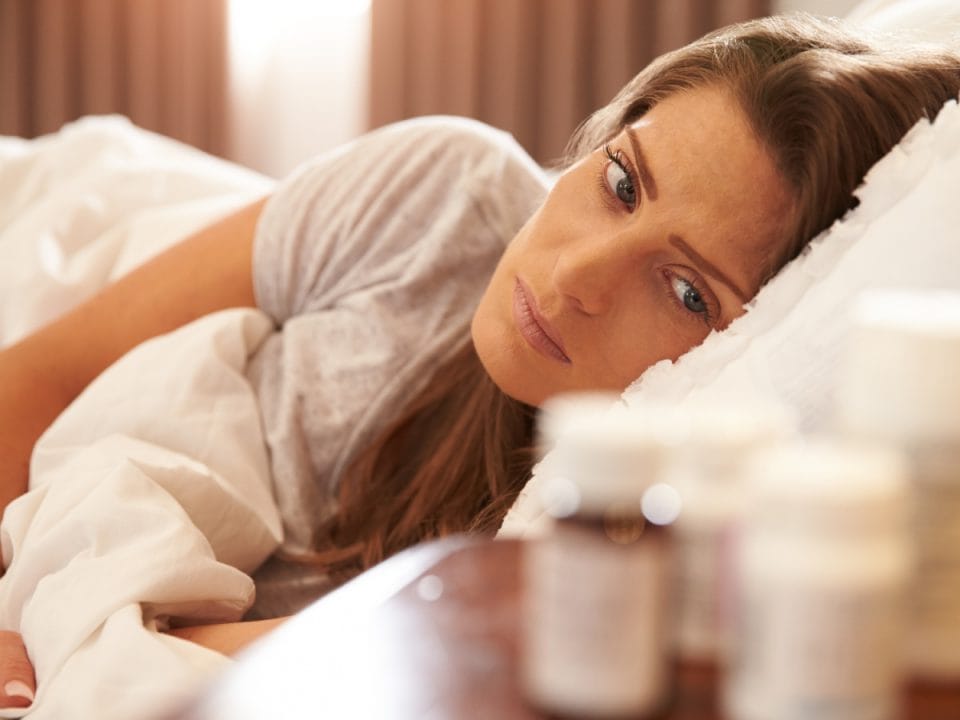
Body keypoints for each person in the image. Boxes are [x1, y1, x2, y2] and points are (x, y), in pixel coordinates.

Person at [1, 11, 959, 709]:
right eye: (622, 183)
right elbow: (43, 379)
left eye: (686, 293)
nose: (579, 275)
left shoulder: (599, 551)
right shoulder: (437, 196)